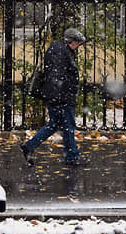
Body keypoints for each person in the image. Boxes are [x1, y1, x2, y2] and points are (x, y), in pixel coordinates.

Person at [21, 27, 86, 166]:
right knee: (68, 126)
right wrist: (64, 96)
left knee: (54, 124)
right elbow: (60, 77)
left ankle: (29, 146)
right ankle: (72, 157)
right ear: (71, 41)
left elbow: (54, 75)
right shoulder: (62, 53)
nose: (77, 46)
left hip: (54, 95)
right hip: (61, 97)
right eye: (77, 43)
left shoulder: (56, 50)